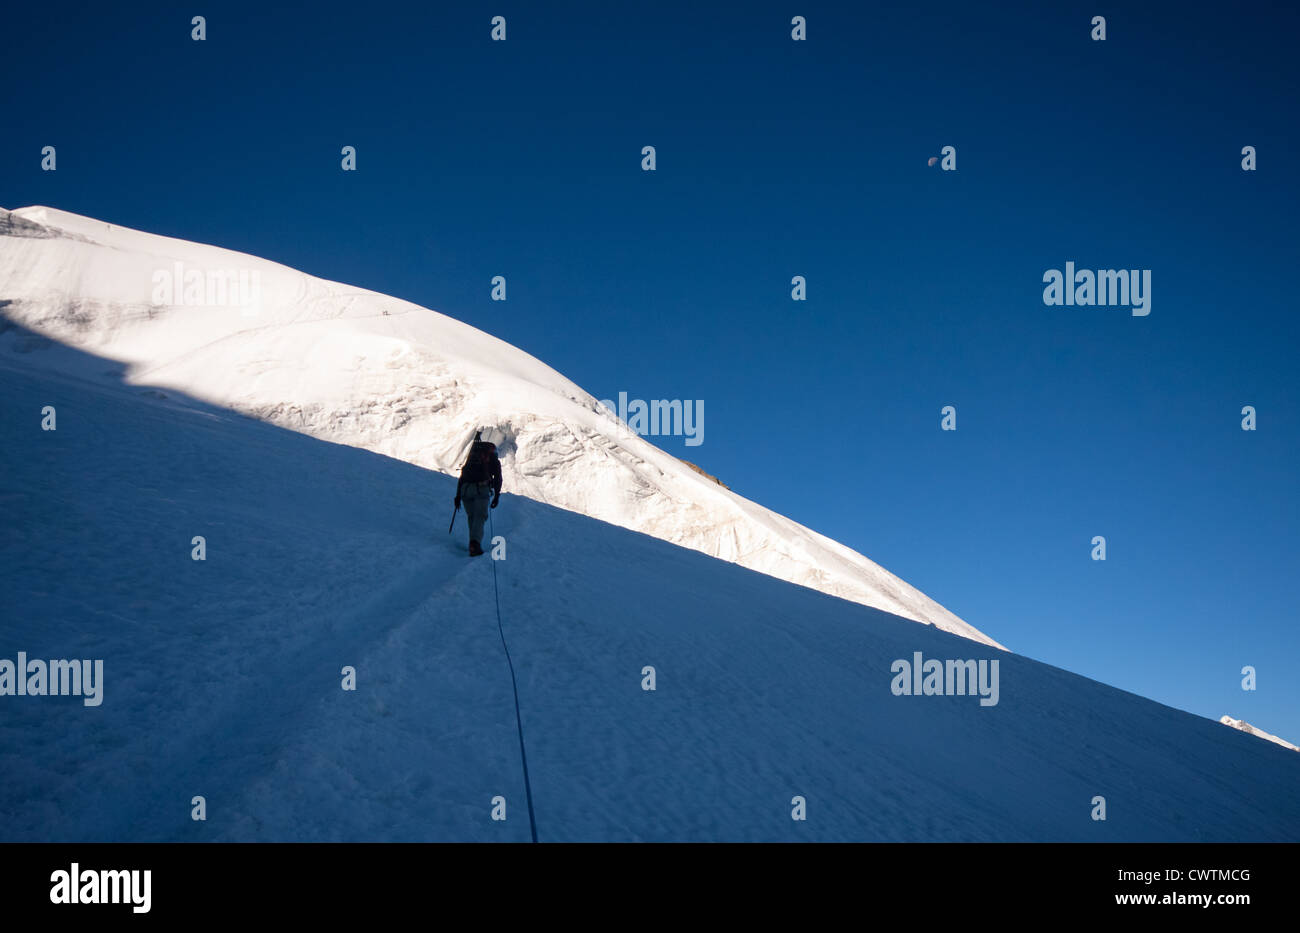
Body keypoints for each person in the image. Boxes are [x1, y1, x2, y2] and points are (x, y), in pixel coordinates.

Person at [455, 431, 502, 556]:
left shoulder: (472, 458)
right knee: (480, 517)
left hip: (465, 490)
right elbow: (497, 478)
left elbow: (462, 476)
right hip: (481, 489)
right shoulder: (493, 460)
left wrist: (458, 496)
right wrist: (497, 496)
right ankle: (475, 545)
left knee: (472, 517)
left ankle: (473, 543)